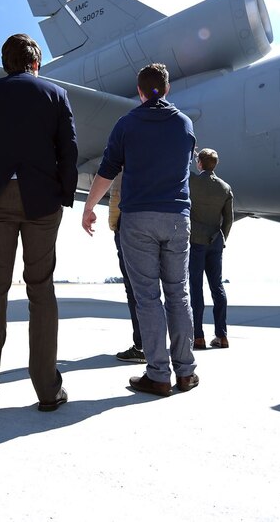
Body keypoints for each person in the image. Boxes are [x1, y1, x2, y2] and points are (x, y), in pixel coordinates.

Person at [0, 33, 78, 412]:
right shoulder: (55, 94)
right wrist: (64, 194)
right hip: (42, 202)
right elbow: (69, 149)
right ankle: (47, 389)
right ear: (36, 63)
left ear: (5, 64)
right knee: (41, 290)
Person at [82, 63, 199, 397]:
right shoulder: (184, 124)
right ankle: (186, 372)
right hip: (177, 217)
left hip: (138, 220)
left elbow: (107, 170)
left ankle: (158, 375)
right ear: (167, 88)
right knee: (178, 293)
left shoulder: (127, 124)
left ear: (140, 91)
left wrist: (89, 207)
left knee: (147, 297)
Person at [188, 147, 234, 350]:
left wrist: (189, 151)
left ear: (199, 163)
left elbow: (181, 168)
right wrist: (222, 238)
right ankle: (222, 335)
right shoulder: (225, 188)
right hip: (216, 241)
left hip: (196, 240)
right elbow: (229, 219)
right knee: (217, 287)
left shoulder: (192, 182)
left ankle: (198, 336)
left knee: (196, 288)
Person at [108, 174, 145, 363]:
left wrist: (114, 225)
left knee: (133, 289)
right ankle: (157, 344)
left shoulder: (123, 171)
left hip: (127, 227)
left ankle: (141, 346)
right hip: (155, 224)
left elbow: (116, 199)